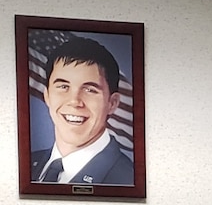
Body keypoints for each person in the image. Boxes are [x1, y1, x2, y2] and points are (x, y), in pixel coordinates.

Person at [29, 37, 134, 186]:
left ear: (112, 103)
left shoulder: (127, 180)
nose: (75, 101)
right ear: (47, 95)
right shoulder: (27, 166)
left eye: (89, 90)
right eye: (63, 87)